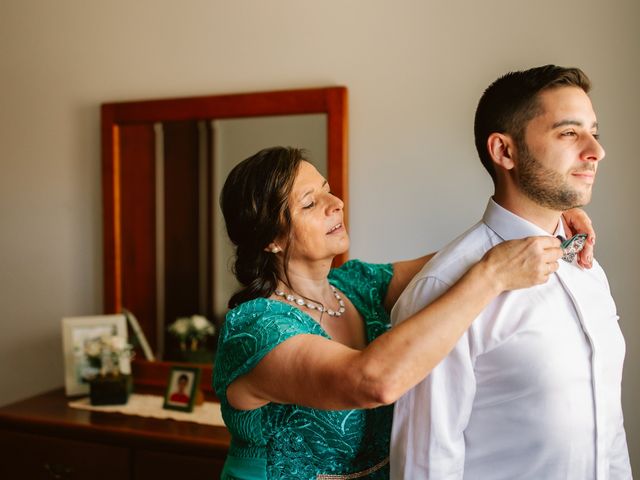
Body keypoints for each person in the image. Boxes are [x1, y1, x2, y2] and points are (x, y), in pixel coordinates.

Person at [213, 145, 595, 480]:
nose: (336, 204)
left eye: (328, 190)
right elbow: (372, 381)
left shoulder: (358, 286)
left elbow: (464, 257)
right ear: (270, 239)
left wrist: (546, 222)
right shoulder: (255, 330)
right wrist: (491, 277)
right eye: (310, 203)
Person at [390, 65, 631, 479]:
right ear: (504, 152)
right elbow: (425, 465)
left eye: (595, 132)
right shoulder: (443, 288)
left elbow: (609, 432)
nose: (596, 150)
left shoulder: (588, 267)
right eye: (569, 133)